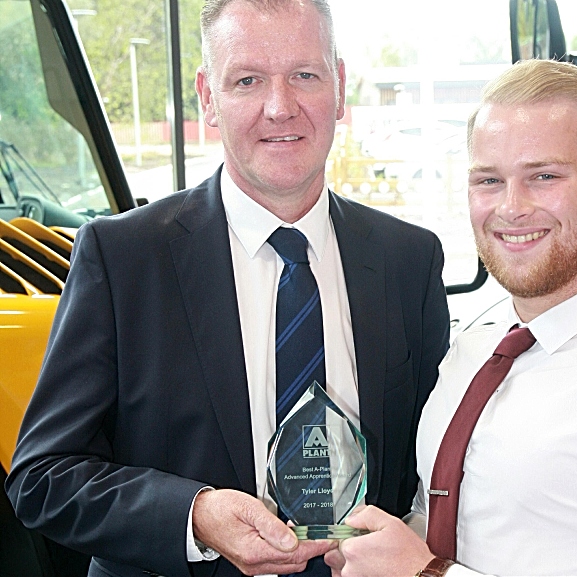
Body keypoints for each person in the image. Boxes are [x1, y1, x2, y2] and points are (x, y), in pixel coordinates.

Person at [4, 1, 450, 576]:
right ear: (208, 96)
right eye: (248, 80)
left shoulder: (408, 260)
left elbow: (434, 470)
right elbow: (43, 477)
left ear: (339, 88)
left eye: (304, 76)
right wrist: (193, 517)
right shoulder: (123, 259)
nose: (280, 107)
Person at [325, 59, 577, 577]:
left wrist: (423, 574)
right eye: (488, 180)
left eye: (543, 176)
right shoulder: (478, 342)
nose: (511, 207)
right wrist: (367, 545)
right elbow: (442, 524)